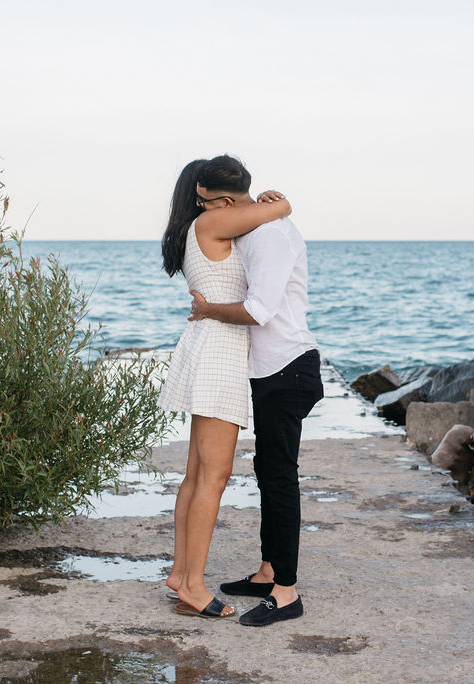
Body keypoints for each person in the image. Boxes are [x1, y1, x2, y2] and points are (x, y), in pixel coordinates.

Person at [158, 156, 291, 619]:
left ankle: (181, 573)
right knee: (211, 478)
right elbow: (280, 209)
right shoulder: (214, 221)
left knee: (196, 475)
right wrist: (271, 199)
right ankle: (193, 586)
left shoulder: (200, 225)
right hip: (219, 354)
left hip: (208, 348)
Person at [187, 179, 323, 627]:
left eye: (205, 204)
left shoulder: (268, 233)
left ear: (225, 202)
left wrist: (209, 311)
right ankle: (268, 572)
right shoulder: (260, 225)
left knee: (280, 478)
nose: (202, 212)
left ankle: (285, 594)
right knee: (268, 471)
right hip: (271, 371)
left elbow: (259, 310)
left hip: (289, 367)